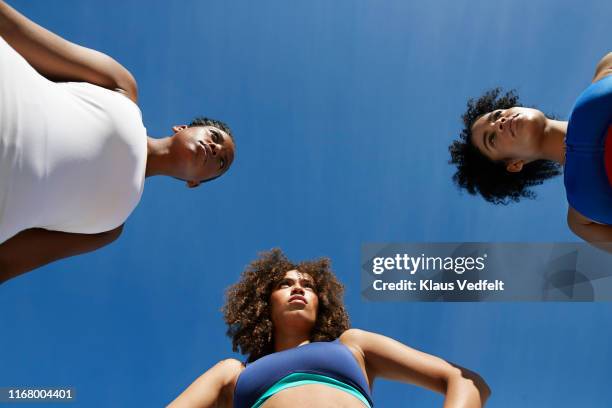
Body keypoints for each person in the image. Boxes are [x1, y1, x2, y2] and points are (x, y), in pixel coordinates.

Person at [0, 1, 235, 283]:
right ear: (181, 127)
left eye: (221, 162)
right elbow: (16, 31)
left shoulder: (108, 229)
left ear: (194, 182)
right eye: (215, 136)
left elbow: (6, 263)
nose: (215, 149)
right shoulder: (121, 86)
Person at [168, 249, 490, 407]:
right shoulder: (233, 373)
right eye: (285, 284)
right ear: (264, 302)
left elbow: (466, 382)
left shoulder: (353, 346)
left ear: (321, 302)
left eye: (307, 286)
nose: (298, 289)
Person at [449, 52, 612, 247]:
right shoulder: (582, 221)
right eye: (491, 139)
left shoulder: (607, 67)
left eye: (497, 115)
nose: (500, 122)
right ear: (514, 164)